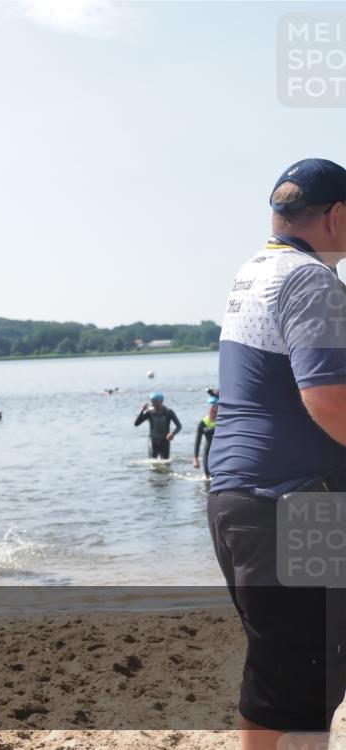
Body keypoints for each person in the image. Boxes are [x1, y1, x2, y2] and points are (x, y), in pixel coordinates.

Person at [208, 158, 346, 747]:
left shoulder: (257, 271)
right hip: (293, 500)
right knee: (297, 679)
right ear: (337, 217)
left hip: (241, 498)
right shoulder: (312, 280)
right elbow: (328, 399)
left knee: (292, 675)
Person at [133, 392, 181, 459]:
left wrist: (172, 433)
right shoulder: (149, 412)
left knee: (165, 463)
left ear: (161, 401)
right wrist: (142, 411)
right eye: (152, 401)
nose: (153, 403)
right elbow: (136, 424)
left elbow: (179, 426)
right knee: (153, 462)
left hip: (165, 441)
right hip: (153, 441)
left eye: (155, 401)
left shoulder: (168, 412)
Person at [192, 396, 218, 478]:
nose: (212, 409)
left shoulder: (223, 421)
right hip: (208, 453)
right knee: (208, 476)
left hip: (220, 452)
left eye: (215, 407)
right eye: (211, 406)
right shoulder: (203, 422)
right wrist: (195, 459)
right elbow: (197, 441)